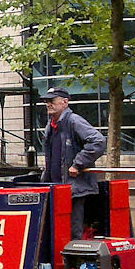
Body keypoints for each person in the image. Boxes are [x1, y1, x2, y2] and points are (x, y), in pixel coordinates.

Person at [40, 87, 107, 239]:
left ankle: (75, 261)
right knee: (57, 230)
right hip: (56, 188)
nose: (48, 104)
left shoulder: (74, 121)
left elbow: (98, 141)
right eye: (46, 101)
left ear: (65, 102)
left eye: (52, 101)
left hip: (73, 189)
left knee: (73, 230)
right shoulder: (51, 125)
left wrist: (78, 164)